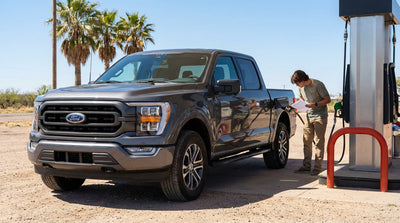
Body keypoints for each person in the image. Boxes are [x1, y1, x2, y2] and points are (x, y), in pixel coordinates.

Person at [291, 70, 331, 176]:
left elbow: (328, 100)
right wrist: (296, 105)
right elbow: (303, 100)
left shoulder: (318, 84)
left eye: (297, 83)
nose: (297, 85)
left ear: (302, 80)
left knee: (318, 142)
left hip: (320, 117)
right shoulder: (301, 88)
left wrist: (315, 104)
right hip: (309, 117)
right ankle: (306, 166)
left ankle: (317, 168)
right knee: (307, 141)